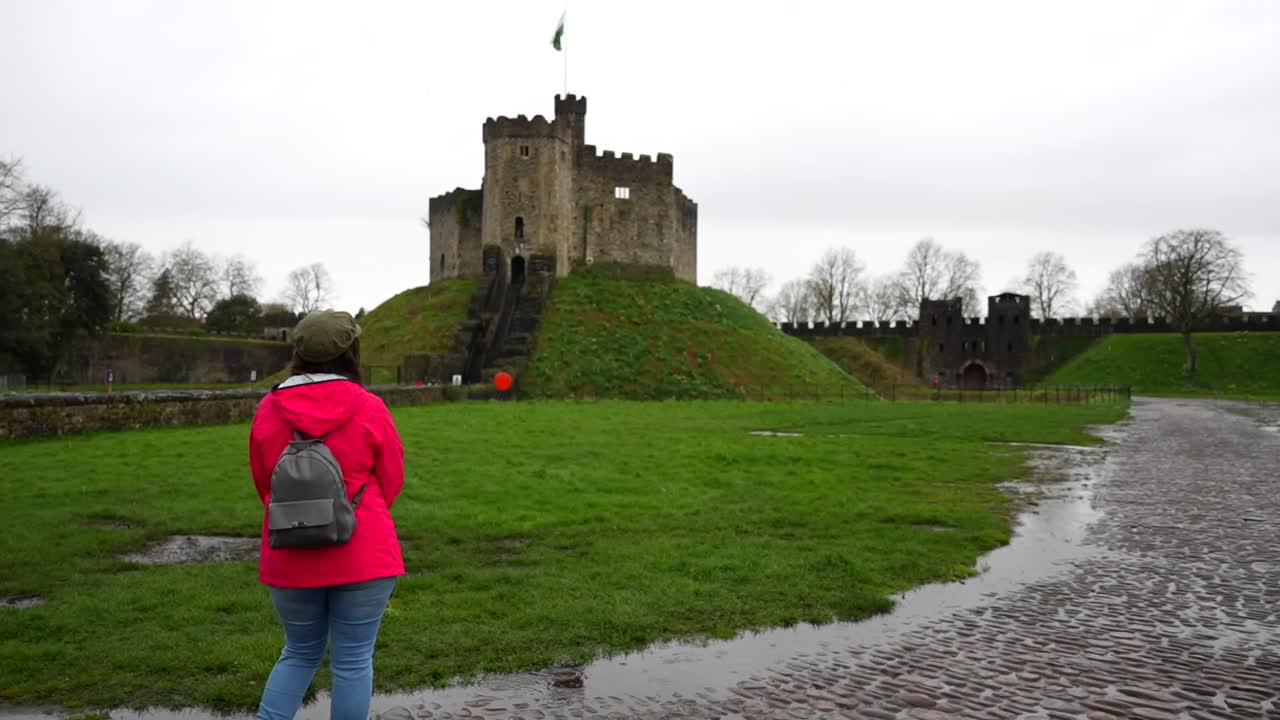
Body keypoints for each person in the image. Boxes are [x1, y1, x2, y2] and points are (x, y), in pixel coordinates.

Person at [248, 310, 406, 720]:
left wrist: (303, 517)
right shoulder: (369, 406)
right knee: (352, 662)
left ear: (298, 353)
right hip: (363, 550)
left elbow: (265, 483)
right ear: (352, 351)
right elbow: (392, 478)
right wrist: (356, 517)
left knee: (298, 652)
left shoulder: (269, 408)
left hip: (289, 548)